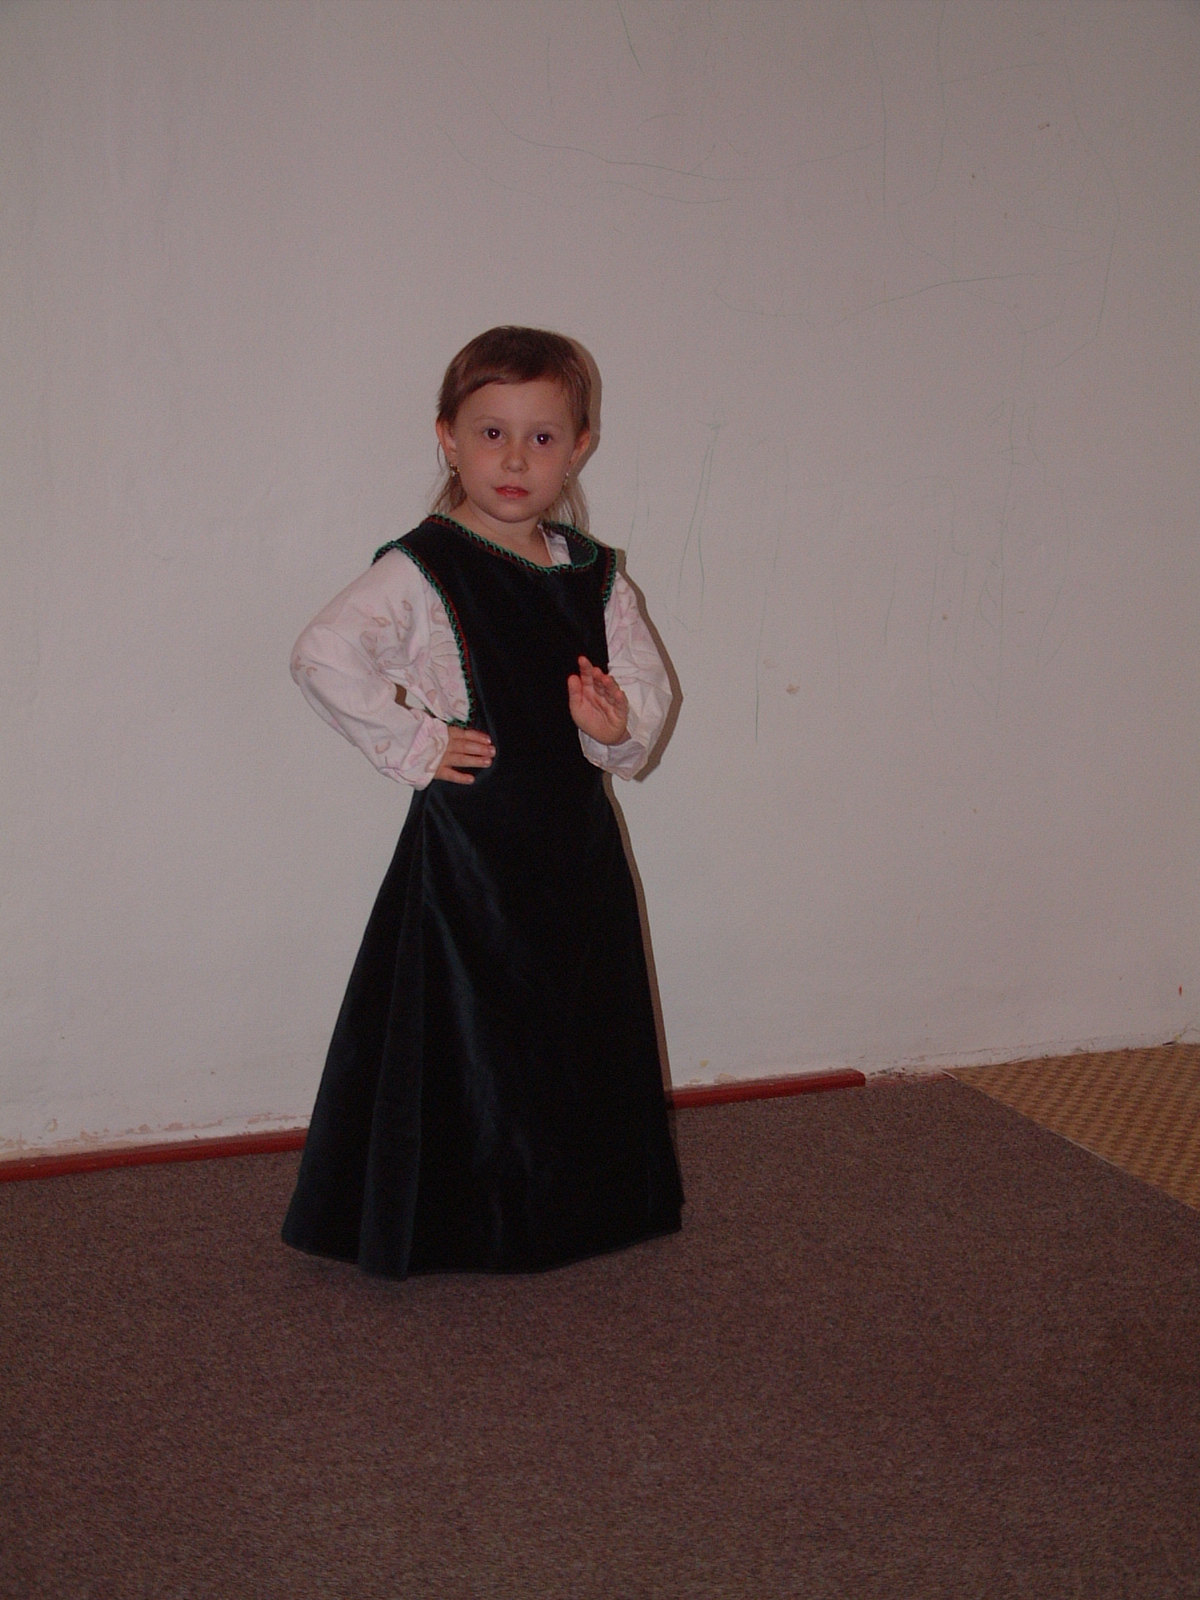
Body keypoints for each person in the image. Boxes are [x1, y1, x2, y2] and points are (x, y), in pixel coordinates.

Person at [281, 326, 684, 1278]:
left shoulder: (595, 576)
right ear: (448, 440)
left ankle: (580, 1206)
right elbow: (323, 654)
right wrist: (419, 744)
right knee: (473, 1025)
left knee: (571, 1015)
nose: (514, 459)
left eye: (542, 438)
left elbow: (646, 696)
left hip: (574, 843)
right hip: (472, 852)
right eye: (491, 433)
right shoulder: (428, 566)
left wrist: (611, 725)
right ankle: (465, 1216)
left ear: (578, 449)